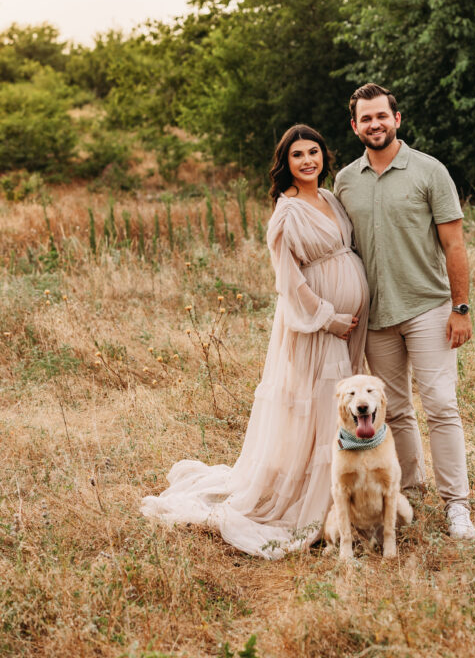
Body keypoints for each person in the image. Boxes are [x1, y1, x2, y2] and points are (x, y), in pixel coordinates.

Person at [141, 124, 369, 558]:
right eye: (298, 155)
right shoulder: (285, 213)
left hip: (347, 324)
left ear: (324, 156)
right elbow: (290, 283)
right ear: (285, 163)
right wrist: (328, 318)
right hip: (316, 328)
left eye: (314, 152)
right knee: (320, 408)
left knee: (333, 409)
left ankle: (341, 500)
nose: (308, 160)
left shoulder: (331, 199)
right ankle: (314, 508)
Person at [334, 83, 475, 540]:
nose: (374, 124)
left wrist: (461, 308)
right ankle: (405, 495)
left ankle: (458, 506)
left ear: (397, 119)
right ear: (355, 126)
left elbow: (454, 244)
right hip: (375, 317)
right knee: (392, 413)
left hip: (428, 308)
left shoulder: (429, 171)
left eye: (382, 116)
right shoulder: (345, 180)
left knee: (441, 406)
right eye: (365, 118)